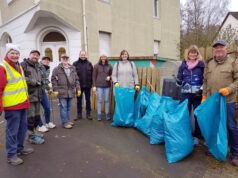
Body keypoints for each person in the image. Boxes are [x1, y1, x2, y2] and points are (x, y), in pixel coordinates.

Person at [202, 40, 238, 166]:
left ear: (226, 49)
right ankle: (214, 148)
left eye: (221, 47)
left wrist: (229, 89)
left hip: (228, 101)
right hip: (213, 102)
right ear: (214, 50)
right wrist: (204, 96)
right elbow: (205, 81)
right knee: (214, 125)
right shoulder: (209, 63)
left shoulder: (233, 62)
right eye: (216, 47)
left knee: (231, 126)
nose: (219, 49)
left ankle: (235, 153)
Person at [0, 43, 33, 165]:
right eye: (12, 53)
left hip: (22, 104)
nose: (15, 55)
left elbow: (21, 85)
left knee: (22, 128)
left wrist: (27, 101)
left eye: (17, 53)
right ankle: (11, 155)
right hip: (12, 106)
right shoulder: (2, 67)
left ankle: (20, 148)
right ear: (7, 53)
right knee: (12, 131)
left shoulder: (18, 65)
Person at [176, 45, 204, 146]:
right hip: (185, 94)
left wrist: (201, 89)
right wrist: (178, 81)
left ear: (197, 54)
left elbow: (205, 79)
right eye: (191, 52)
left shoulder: (201, 65)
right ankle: (185, 134)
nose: (192, 54)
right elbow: (179, 76)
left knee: (197, 115)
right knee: (184, 114)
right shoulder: (183, 64)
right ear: (188, 54)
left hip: (197, 94)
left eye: (194, 52)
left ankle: (196, 136)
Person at [21, 50, 45, 144]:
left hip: (38, 95)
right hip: (29, 96)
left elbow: (42, 77)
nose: (35, 56)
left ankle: (34, 133)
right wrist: (34, 82)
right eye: (33, 55)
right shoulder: (24, 64)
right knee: (30, 118)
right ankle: (30, 137)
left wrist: (44, 82)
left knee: (36, 117)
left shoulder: (38, 66)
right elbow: (21, 77)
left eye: (37, 55)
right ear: (30, 55)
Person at [51, 54, 81, 129]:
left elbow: (76, 79)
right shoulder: (57, 69)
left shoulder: (72, 68)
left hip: (71, 91)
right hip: (62, 91)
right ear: (61, 59)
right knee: (63, 107)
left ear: (68, 59)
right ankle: (65, 122)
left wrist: (78, 88)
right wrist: (55, 90)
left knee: (68, 107)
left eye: (66, 58)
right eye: (63, 58)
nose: (65, 59)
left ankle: (67, 120)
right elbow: (53, 79)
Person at [73, 50, 93, 120]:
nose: (83, 56)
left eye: (84, 55)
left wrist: (92, 84)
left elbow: (92, 75)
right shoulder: (75, 64)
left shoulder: (89, 64)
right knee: (79, 101)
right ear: (79, 55)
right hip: (79, 86)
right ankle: (79, 114)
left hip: (88, 86)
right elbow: (73, 75)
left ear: (85, 55)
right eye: (82, 55)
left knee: (88, 100)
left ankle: (88, 114)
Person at [37, 56, 56, 133]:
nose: (46, 61)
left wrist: (48, 89)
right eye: (45, 59)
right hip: (35, 91)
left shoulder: (47, 68)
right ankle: (40, 125)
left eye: (48, 60)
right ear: (41, 60)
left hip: (43, 91)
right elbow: (42, 79)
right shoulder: (38, 67)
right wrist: (48, 87)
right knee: (37, 110)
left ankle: (47, 122)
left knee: (47, 107)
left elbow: (45, 80)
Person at [92, 54, 113, 121]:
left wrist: (110, 77)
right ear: (100, 58)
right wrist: (94, 86)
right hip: (99, 86)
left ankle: (107, 115)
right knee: (99, 100)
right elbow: (94, 76)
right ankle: (99, 115)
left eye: (104, 57)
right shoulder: (96, 66)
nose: (103, 58)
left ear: (106, 58)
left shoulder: (109, 66)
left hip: (107, 86)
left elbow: (112, 75)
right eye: (102, 57)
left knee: (107, 100)